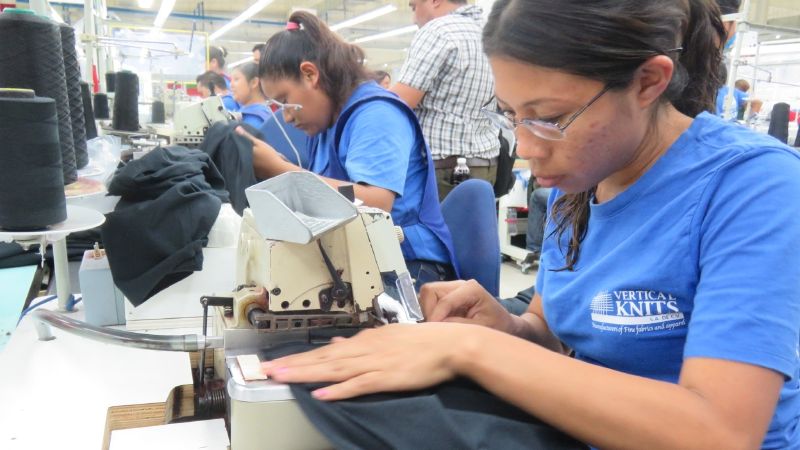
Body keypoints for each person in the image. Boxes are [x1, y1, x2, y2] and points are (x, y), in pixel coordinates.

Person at [260, 1, 800, 449]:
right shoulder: (580, 184)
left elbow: (722, 432)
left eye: (548, 117)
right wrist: (508, 327)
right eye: (512, 114)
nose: (524, 147)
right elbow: (555, 335)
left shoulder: (752, 186)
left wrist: (475, 351)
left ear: (648, 82)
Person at [238, 12, 458, 288]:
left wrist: (282, 171)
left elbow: (377, 203)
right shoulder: (326, 122)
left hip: (410, 267)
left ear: (310, 74)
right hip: (362, 256)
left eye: (286, 101)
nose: (287, 118)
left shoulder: (376, 114)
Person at [391, 0, 499, 201]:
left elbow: (400, 102)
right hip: (485, 166)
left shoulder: (439, 30)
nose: (414, 18)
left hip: (442, 171)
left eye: (414, 7)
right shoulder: (491, 32)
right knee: (471, 231)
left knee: (429, 232)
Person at [230, 62, 270, 128]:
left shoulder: (254, 121)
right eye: (231, 80)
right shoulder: (245, 114)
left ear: (254, 82)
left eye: (236, 79)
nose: (231, 85)